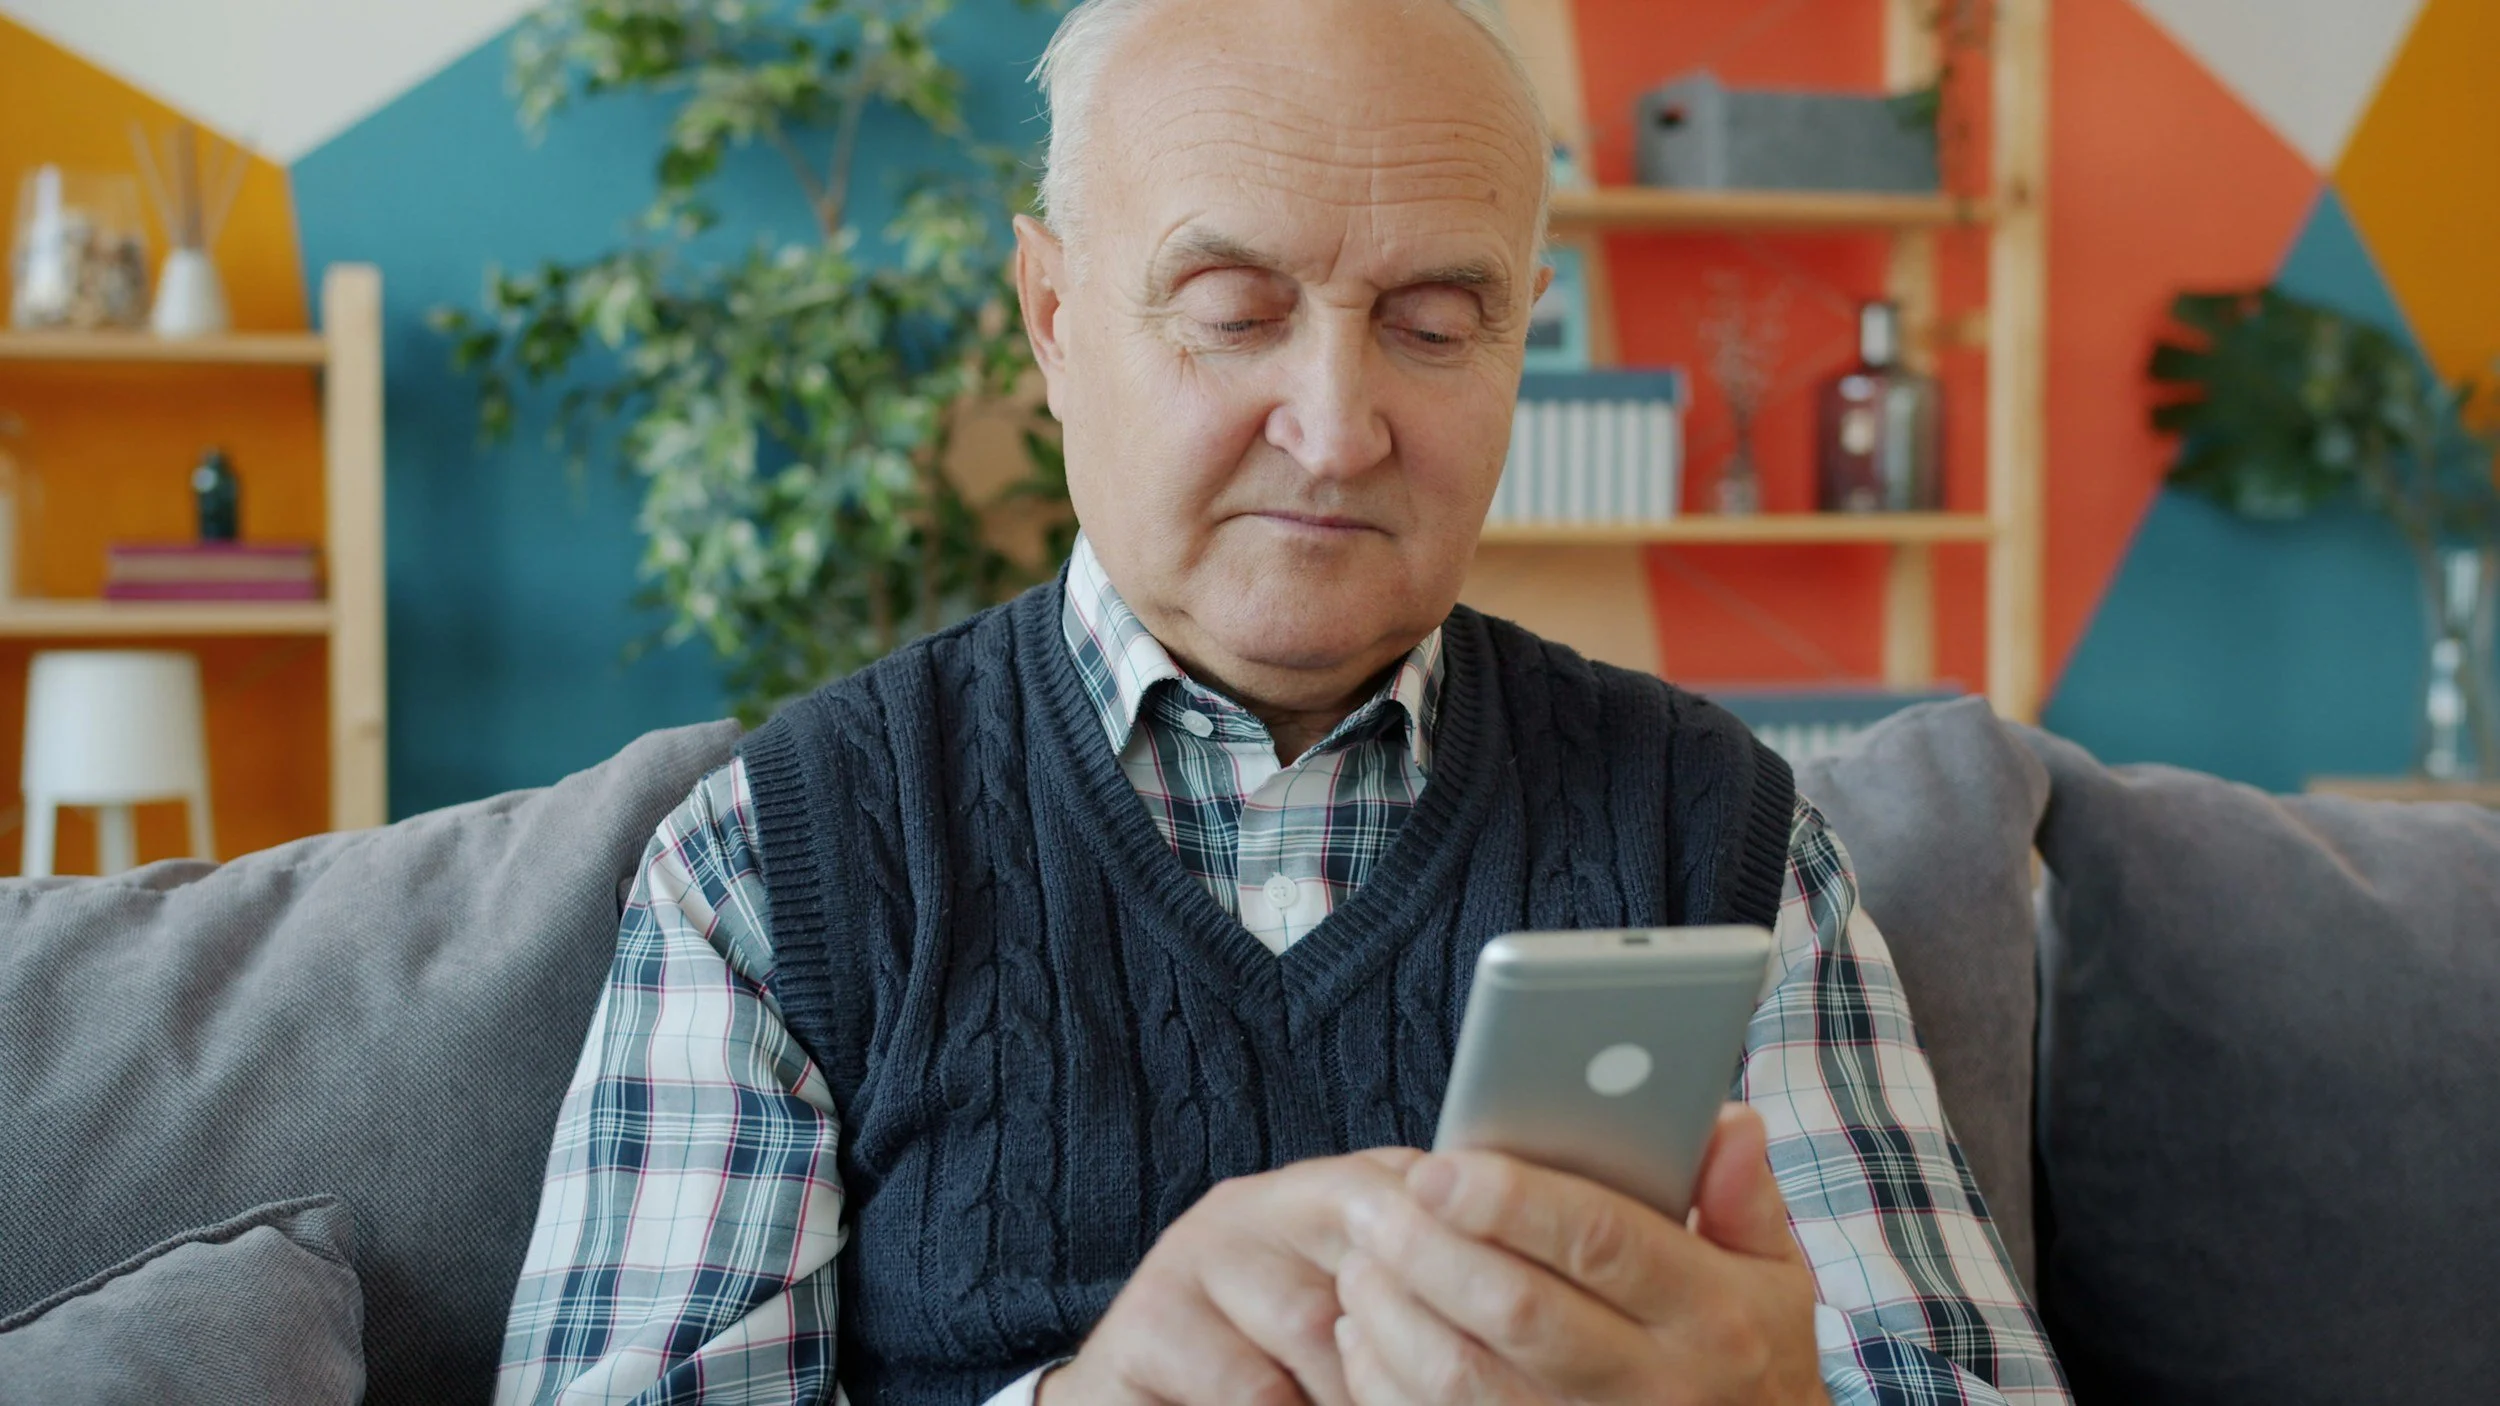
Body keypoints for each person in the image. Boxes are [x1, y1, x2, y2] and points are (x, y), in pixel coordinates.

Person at [497, 0, 2068, 1401]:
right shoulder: (781, 862)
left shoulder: (1719, 836)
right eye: (1235, 309)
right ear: (1052, 316)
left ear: (1522, 332)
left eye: (1435, 326)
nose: (1333, 430)